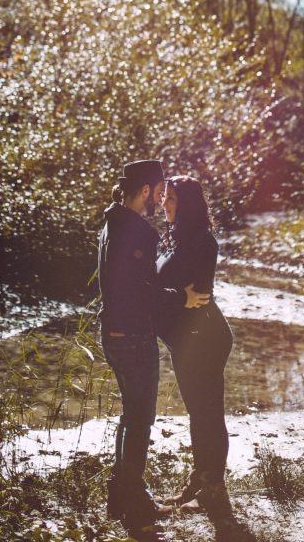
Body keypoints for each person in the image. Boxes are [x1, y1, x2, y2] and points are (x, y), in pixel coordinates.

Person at [98, 160, 209, 531]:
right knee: (141, 419)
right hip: (132, 335)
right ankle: (136, 502)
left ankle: (121, 496)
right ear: (145, 190)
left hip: (112, 334)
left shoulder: (111, 222)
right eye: (159, 191)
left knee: (131, 416)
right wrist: (182, 298)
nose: (161, 200)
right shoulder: (136, 231)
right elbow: (138, 292)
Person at [155, 175, 234, 516]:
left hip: (205, 337)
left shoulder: (201, 241)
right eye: (164, 197)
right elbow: (172, 288)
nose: (164, 204)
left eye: (171, 199)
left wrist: (168, 297)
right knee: (198, 413)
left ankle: (213, 487)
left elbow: (198, 295)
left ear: (186, 204)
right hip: (186, 340)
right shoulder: (175, 237)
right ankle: (199, 481)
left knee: (208, 413)